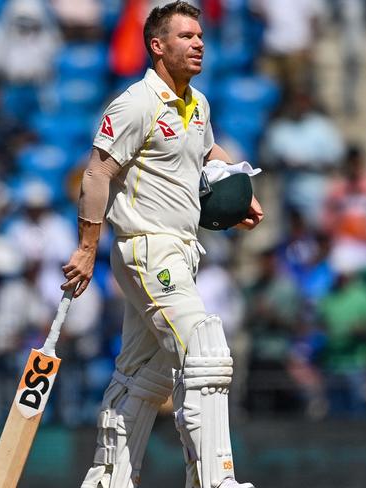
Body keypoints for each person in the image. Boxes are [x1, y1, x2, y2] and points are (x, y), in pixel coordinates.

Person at [60, 3, 263, 488]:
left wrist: (240, 187)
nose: (198, 44)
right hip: (147, 247)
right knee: (206, 351)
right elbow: (97, 173)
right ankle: (216, 480)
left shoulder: (198, 104)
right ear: (158, 45)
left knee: (142, 375)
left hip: (181, 251)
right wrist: (87, 247)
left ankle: (108, 478)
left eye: (201, 36)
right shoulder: (136, 103)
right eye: (186, 36)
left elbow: (206, 150)